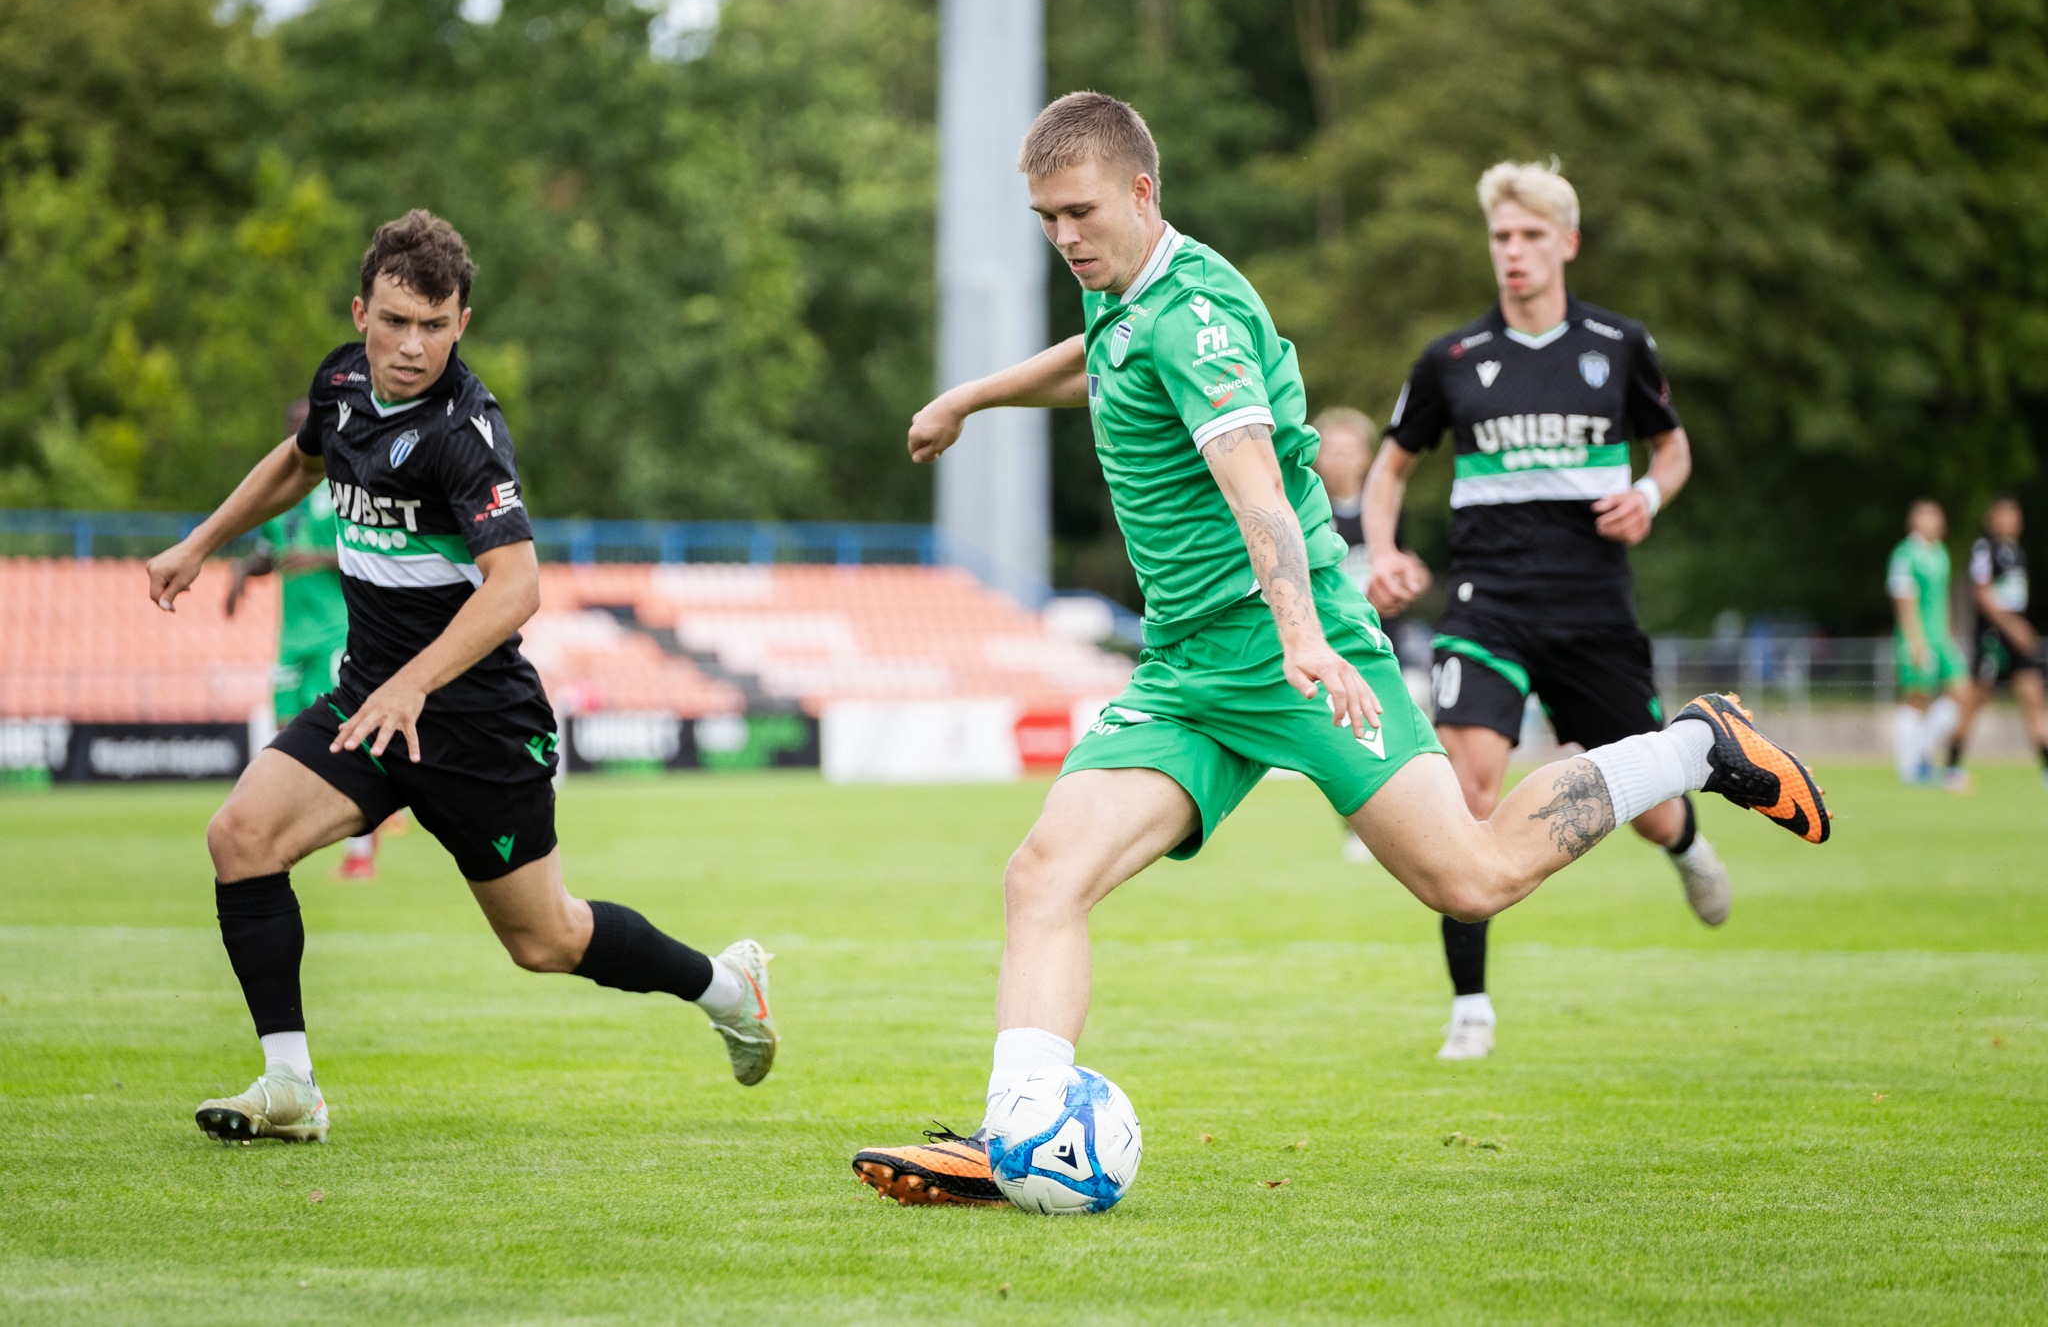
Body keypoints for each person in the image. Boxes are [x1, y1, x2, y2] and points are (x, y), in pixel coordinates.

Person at [849, 93, 1827, 1206]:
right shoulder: (1128, 302)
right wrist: (969, 399)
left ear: (1140, 190)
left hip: (1288, 652)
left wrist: (1305, 638)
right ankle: (1016, 1132)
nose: (1063, 238)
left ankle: (1696, 746)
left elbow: (1255, 484)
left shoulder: (1199, 314)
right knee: (1043, 874)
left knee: (1469, 879)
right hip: (1186, 674)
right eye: (1042, 220)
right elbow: (1096, 356)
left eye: (1077, 212)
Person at [145, 211, 779, 1145]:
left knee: (546, 941)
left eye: (435, 326)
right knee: (239, 837)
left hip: (475, 723)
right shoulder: (341, 381)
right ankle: (290, 1086)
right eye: (396, 321)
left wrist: (414, 685)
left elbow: (516, 585)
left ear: (462, 324)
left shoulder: (464, 433)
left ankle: (727, 986)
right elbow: (299, 462)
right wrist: (203, 541)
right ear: (362, 310)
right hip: (368, 703)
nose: (412, 346)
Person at [1362, 162, 1735, 1063]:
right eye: (1501, 237)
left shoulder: (1620, 344)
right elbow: (1389, 470)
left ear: (1566, 242)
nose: (1513, 253)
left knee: (1646, 806)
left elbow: (1674, 448)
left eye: (1531, 236)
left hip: (1594, 608)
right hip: (1487, 604)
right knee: (1465, 790)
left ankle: (1684, 844)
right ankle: (1471, 1007)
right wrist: (1384, 550)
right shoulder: (1451, 360)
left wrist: (1648, 492)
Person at [227, 399, 384, 880]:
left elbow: (369, 550)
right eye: (295, 428)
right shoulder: (282, 496)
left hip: (334, 632)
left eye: (309, 426)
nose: (304, 435)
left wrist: (315, 558)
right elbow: (268, 552)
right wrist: (239, 574)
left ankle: (362, 851)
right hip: (290, 640)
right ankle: (288, 830)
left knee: (339, 739)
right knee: (284, 736)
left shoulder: (345, 492)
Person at [1310, 407, 1429, 867]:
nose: (1339, 460)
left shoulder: (1386, 512)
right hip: (1335, 650)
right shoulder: (1307, 509)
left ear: (1366, 457)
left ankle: (1421, 825)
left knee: (1410, 739)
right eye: (1331, 451)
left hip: (1388, 645)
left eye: (1348, 450)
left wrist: (1410, 577)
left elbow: (1407, 563)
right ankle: (1360, 831)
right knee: (1349, 743)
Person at [1946, 496, 2047, 788]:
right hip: (1993, 636)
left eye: (2014, 515)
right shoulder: (1985, 549)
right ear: (1992, 519)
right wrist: (2013, 625)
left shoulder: (2017, 553)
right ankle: (1952, 765)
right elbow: (1982, 594)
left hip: (2017, 636)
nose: (2010, 520)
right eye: (2003, 514)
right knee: (1977, 700)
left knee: (2033, 695)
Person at [1887, 499, 1969, 787]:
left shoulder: (1941, 554)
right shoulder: (1904, 554)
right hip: (1917, 637)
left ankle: (1922, 750)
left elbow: (1943, 599)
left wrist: (1948, 637)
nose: (1933, 522)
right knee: (1917, 697)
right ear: (1914, 521)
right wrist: (1915, 641)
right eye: (1926, 517)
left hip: (1941, 638)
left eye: (1936, 516)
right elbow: (1903, 600)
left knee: (1962, 693)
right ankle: (1909, 767)